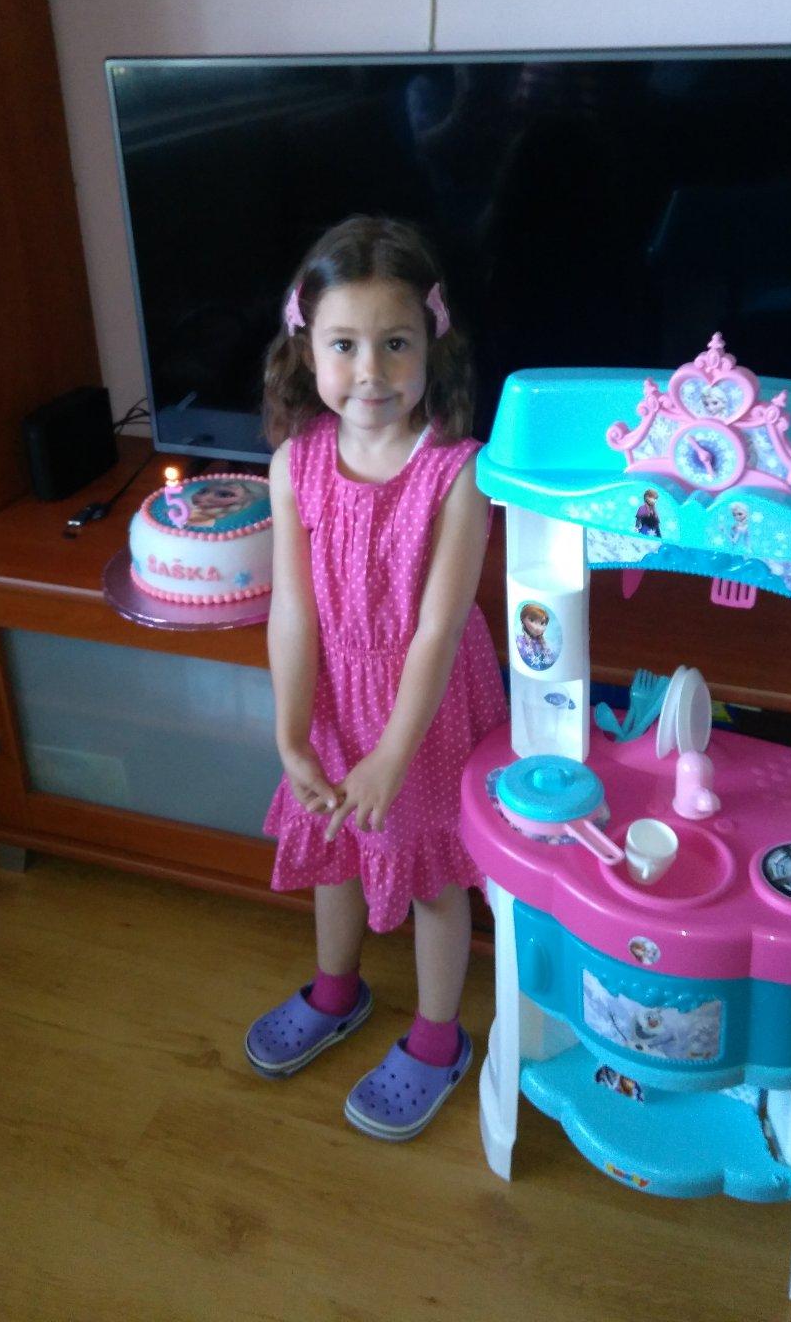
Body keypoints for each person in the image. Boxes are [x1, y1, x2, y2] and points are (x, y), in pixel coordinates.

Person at [244, 214, 508, 1141]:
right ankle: (336, 989)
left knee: (431, 874)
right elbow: (293, 609)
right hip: (333, 699)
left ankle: (439, 1037)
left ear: (433, 343)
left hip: (425, 712)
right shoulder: (293, 464)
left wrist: (394, 753)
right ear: (306, 348)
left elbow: (440, 627)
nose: (370, 371)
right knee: (336, 846)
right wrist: (290, 734)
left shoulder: (459, 473)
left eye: (396, 344)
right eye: (344, 345)